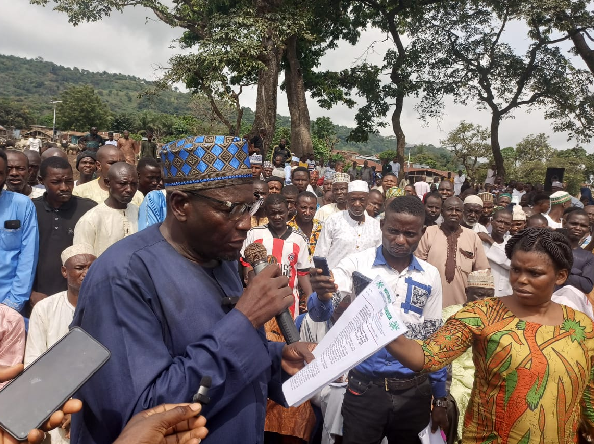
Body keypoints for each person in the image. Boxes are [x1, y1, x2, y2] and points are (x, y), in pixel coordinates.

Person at [70, 135, 315, 444]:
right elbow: (146, 414)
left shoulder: (219, 256)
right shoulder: (123, 277)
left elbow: (213, 349)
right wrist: (245, 319)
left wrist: (277, 360)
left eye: (250, 205)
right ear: (181, 205)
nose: (246, 223)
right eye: (232, 209)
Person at [386, 227, 594, 444]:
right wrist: (384, 329)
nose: (521, 280)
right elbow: (426, 356)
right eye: (515, 270)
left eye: (534, 273)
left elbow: (589, 393)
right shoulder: (483, 314)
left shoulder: (581, 326)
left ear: (560, 276)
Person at [308, 195, 447, 444]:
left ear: (422, 233)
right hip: (364, 390)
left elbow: (434, 338)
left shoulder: (431, 275)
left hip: (414, 393)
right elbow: (320, 314)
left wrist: (439, 396)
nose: (400, 241)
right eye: (393, 231)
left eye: (410, 234)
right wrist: (322, 294)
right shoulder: (356, 264)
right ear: (382, 225)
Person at [25, 244, 96, 443]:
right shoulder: (44, 309)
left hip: (95, 406)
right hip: (51, 407)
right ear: (65, 271)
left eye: (91, 267)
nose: (86, 273)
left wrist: (79, 409)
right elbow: (34, 367)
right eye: (80, 268)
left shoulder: (107, 308)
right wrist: (62, 407)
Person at [31, 156, 96, 304]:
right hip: (38, 295)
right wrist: (30, 293)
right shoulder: (31, 209)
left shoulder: (89, 209)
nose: (64, 187)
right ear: (41, 181)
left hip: (78, 295)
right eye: (56, 182)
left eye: (68, 181)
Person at [441, 270, 495, 443]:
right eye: (479, 295)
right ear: (467, 292)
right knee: (456, 396)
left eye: (489, 296)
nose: (484, 301)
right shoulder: (450, 314)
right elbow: (445, 357)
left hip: (487, 375)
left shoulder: (498, 320)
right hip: (455, 374)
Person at [241, 193, 313, 317]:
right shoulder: (254, 234)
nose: (277, 217)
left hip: (288, 301)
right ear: (267, 213)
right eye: (273, 213)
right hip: (259, 300)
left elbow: (302, 273)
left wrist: (311, 298)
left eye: (281, 213)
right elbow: (246, 265)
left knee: (288, 334)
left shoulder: (299, 239)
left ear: (288, 211)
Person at [416, 196, 490, 307]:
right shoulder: (429, 232)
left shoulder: (472, 237)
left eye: (458, 210)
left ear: (463, 213)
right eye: (450, 209)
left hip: (462, 306)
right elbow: (418, 266)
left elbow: (482, 273)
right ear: (442, 212)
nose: (454, 213)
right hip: (430, 302)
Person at [0, 150, 39, 314]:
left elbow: (28, 257)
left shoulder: (23, 205)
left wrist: (12, 304)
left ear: (4, 175)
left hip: (7, 302)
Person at [73, 163, 139, 257]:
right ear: (108, 183)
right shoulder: (90, 220)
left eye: (134, 184)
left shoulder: (139, 212)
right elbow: (82, 260)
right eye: (122, 184)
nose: (129, 189)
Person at [314, 180, 381, 270]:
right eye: (353, 199)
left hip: (364, 281)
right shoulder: (333, 221)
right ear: (347, 199)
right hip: (334, 279)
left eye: (362, 200)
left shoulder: (375, 226)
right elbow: (320, 254)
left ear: (368, 200)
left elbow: (379, 257)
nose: (357, 204)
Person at [73, 145, 143, 206]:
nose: (118, 167)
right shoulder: (80, 193)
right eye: (112, 163)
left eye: (122, 163)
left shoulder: (136, 196)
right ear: (99, 165)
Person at [477, 208, 513, 297]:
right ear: (492, 221)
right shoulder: (480, 241)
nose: (502, 226)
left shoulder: (512, 242)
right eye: (499, 221)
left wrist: (490, 240)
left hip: (505, 292)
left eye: (507, 224)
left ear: (510, 226)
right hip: (482, 290)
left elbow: (510, 263)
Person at [561, 209, 594, 295]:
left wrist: (557, 272)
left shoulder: (588, 257)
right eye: (574, 224)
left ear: (587, 229)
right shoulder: (549, 247)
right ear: (564, 223)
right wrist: (576, 272)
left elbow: (587, 286)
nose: (578, 228)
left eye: (583, 225)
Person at [289, 191, 324, 258]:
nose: (307, 213)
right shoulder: (287, 228)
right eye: (303, 208)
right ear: (295, 206)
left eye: (311, 208)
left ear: (316, 209)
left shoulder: (322, 227)